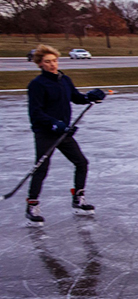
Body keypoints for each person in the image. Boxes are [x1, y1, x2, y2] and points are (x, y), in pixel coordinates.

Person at [25, 44, 105, 226]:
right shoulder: (37, 85)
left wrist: (90, 96)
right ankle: (32, 206)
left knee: (81, 162)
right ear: (40, 64)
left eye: (54, 60)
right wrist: (55, 124)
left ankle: (78, 199)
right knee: (42, 169)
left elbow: (76, 97)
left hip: (64, 132)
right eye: (47, 62)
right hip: (46, 133)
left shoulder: (64, 79)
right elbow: (36, 113)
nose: (52, 65)